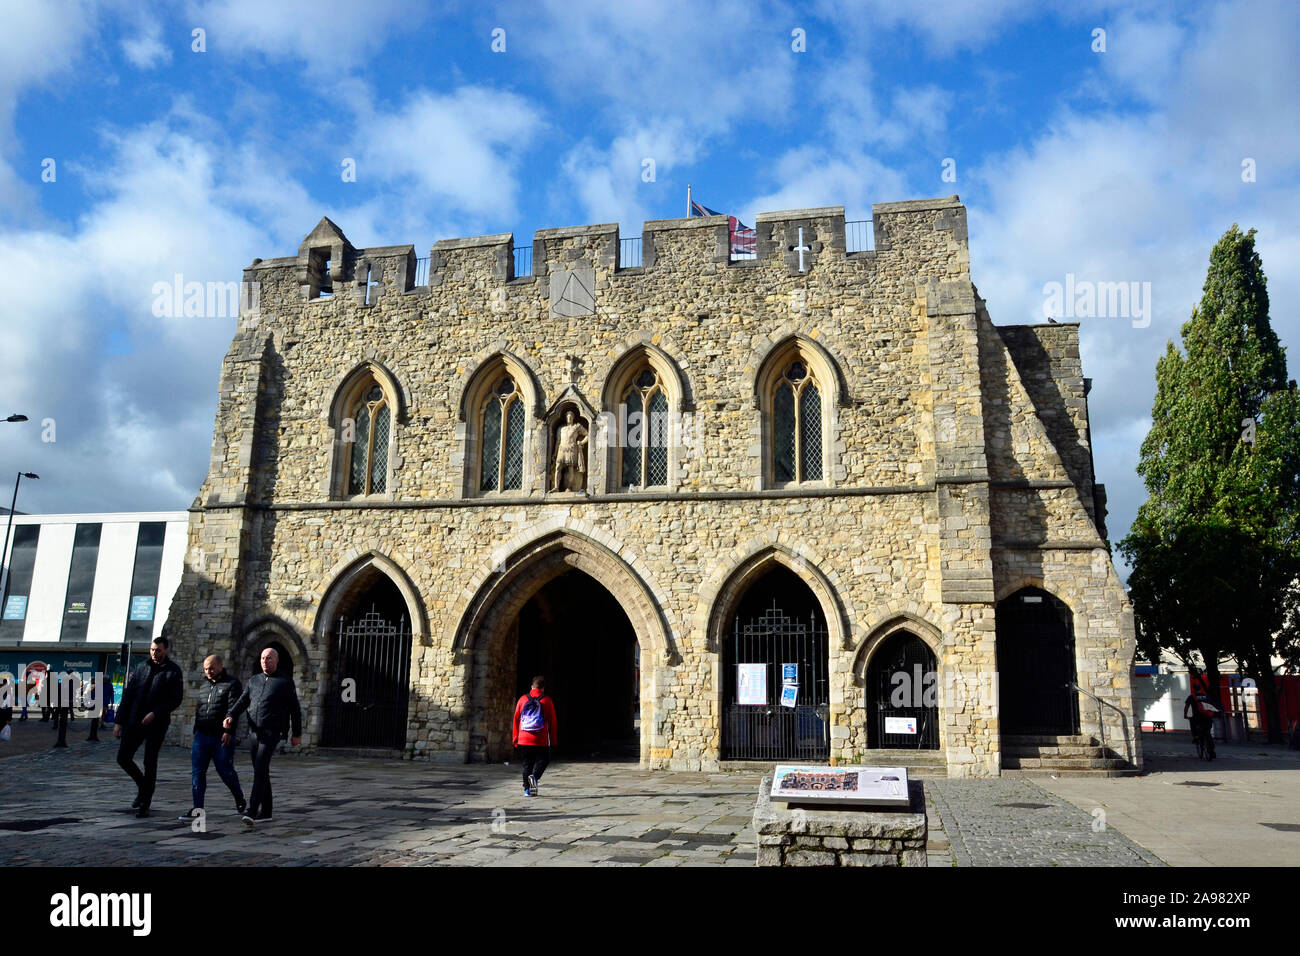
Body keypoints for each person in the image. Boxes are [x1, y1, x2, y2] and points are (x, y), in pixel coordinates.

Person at [224, 648, 301, 826]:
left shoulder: (285, 682)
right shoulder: (254, 680)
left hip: (271, 732)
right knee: (261, 771)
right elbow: (243, 701)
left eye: (269, 658)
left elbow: (294, 709)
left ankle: (252, 811)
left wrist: (296, 733)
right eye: (263, 658)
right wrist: (230, 715)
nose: (265, 661)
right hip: (254, 732)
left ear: (277, 660)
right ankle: (266, 812)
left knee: (260, 770)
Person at [114, 637, 184, 817]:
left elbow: (175, 699)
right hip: (134, 720)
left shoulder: (173, 671)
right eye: (152, 650)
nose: (154, 653)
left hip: (156, 723)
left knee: (149, 761)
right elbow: (128, 695)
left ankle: (145, 802)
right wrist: (119, 721)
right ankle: (143, 786)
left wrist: (155, 713)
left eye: (158, 650)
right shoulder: (141, 668)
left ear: (165, 650)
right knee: (123, 757)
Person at [179, 654, 246, 822]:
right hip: (201, 736)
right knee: (197, 773)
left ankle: (239, 797)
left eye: (211, 668)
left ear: (220, 666)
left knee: (225, 771)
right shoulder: (204, 686)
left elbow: (234, 709)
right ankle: (198, 809)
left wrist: (228, 731)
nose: (208, 672)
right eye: (206, 669)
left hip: (220, 737)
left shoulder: (231, 684)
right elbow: (200, 708)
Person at [512, 675, 558, 796]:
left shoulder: (522, 699)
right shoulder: (547, 700)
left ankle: (527, 790)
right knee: (545, 759)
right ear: (543, 688)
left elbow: (516, 719)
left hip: (524, 738)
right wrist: (553, 740)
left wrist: (515, 738)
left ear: (532, 686)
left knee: (527, 764)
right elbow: (552, 721)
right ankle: (535, 776)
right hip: (540, 738)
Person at [1184, 686, 1219, 758]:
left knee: (1192, 723)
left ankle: (1196, 738)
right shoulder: (1206, 696)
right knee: (1208, 733)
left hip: (1197, 717)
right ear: (1200, 689)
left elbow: (1187, 706)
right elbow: (1212, 706)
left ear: (1194, 689)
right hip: (1207, 717)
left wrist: (1185, 715)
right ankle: (1211, 750)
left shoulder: (1192, 696)